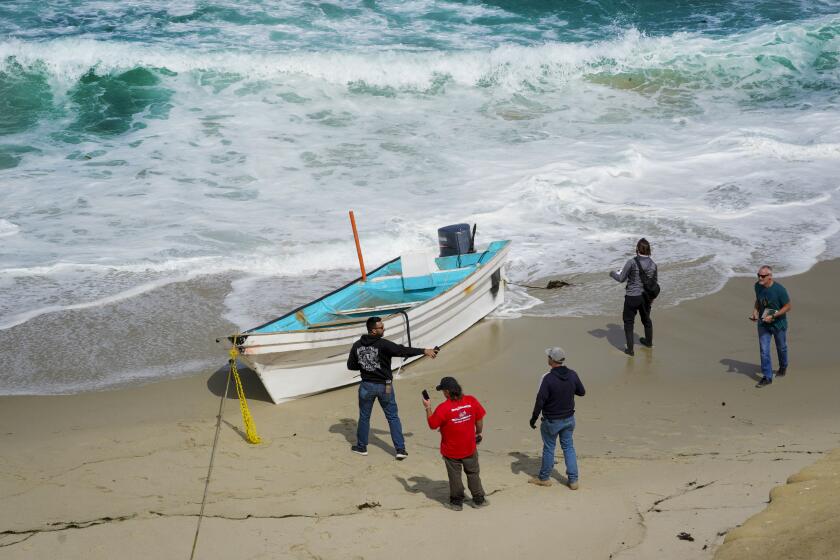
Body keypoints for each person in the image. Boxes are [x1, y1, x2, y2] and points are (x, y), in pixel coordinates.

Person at [347, 316, 438, 459]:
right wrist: (424, 351)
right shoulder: (383, 345)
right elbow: (403, 351)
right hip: (386, 387)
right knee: (392, 416)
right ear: (373, 330)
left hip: (366, 386)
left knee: (364, 417)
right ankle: (400, 450)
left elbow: (351, 366)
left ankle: (361, 447)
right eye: (381, 327)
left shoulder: (357, 345)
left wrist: (365, 365)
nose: (384, 329)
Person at [423, 376, 487, 511]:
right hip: (469, 447)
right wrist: (478, 433)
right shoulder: (471, 400)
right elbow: (479, 418)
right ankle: (479, 499)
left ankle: (457, 503)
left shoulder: (443, 408)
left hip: (451, 451)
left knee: (455, 477)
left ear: (447, 392)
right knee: (473, 473)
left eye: (443, 391)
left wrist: (428, 407)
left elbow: (432, 424)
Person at [528, 347, 585, 490]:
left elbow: (540, 400)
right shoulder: (572, 374)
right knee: (568, 447)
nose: (547, 358)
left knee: (549, 448)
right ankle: (573, 480)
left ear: (552, 360)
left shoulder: (547, 378)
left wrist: (534, 418)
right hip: (568, 419)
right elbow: (581, 392)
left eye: (548, 356)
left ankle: (544, 478)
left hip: (552, 421)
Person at [610, 238, 657, 356]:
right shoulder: (653, 264)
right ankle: (648, 342)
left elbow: (621, 279)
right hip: (646, 297)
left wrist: (612, 273)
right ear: (649, 251)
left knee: (629, 323)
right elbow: (654, 284)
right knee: (646, 320)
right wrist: (651, 300)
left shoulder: (631, 262)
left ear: (637, 249)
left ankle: (630, 350)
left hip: (632, 297)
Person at [750, 265, 791, 388]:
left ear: (770, 276)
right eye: (758, 275)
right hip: (763, 323)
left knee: (781, 348)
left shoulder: (779, 290)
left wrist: (774, 315)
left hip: (778, 323)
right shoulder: (757, 286)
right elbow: (758, 300)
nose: (760, 278)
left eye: (763, 276)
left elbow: (788, 306)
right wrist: (755, 312)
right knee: (764, 351)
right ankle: (767, 377)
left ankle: (783, 366)